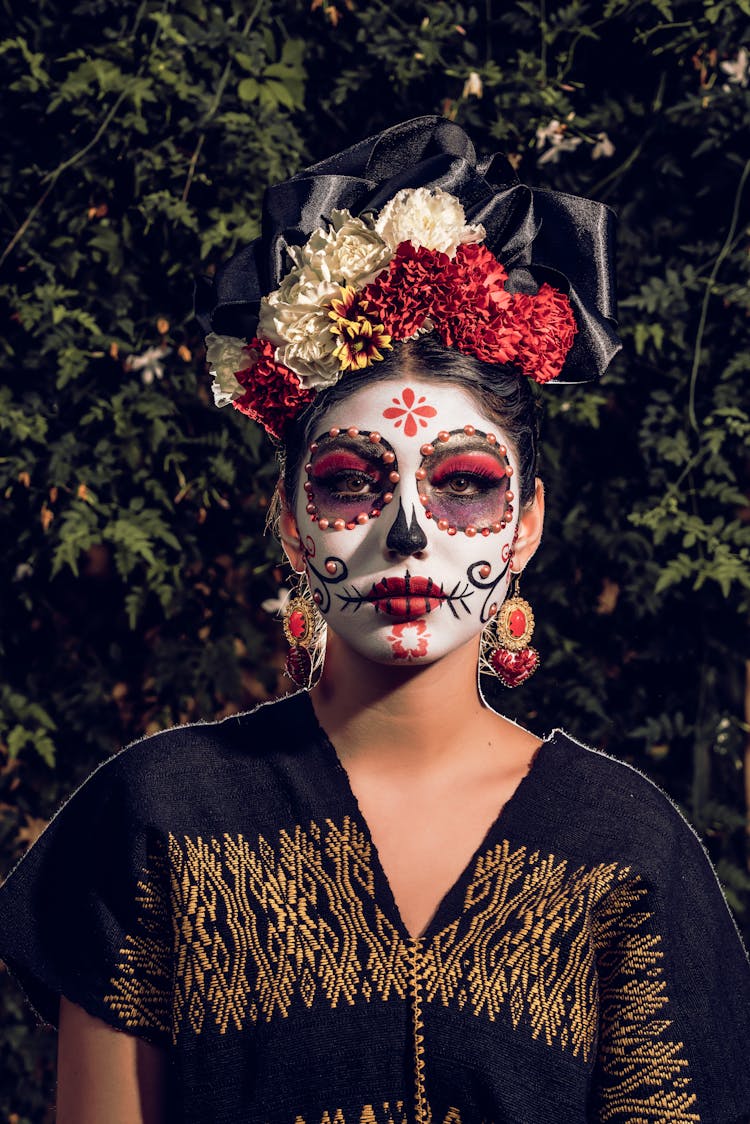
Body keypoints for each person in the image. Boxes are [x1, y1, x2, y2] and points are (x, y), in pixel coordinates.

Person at [1, 116, 749, 1124]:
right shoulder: (157, 817)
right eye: (353, 479)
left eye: (465, 483)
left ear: (528, 523)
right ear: (291, 520)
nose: (408, 530)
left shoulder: (628, 849)